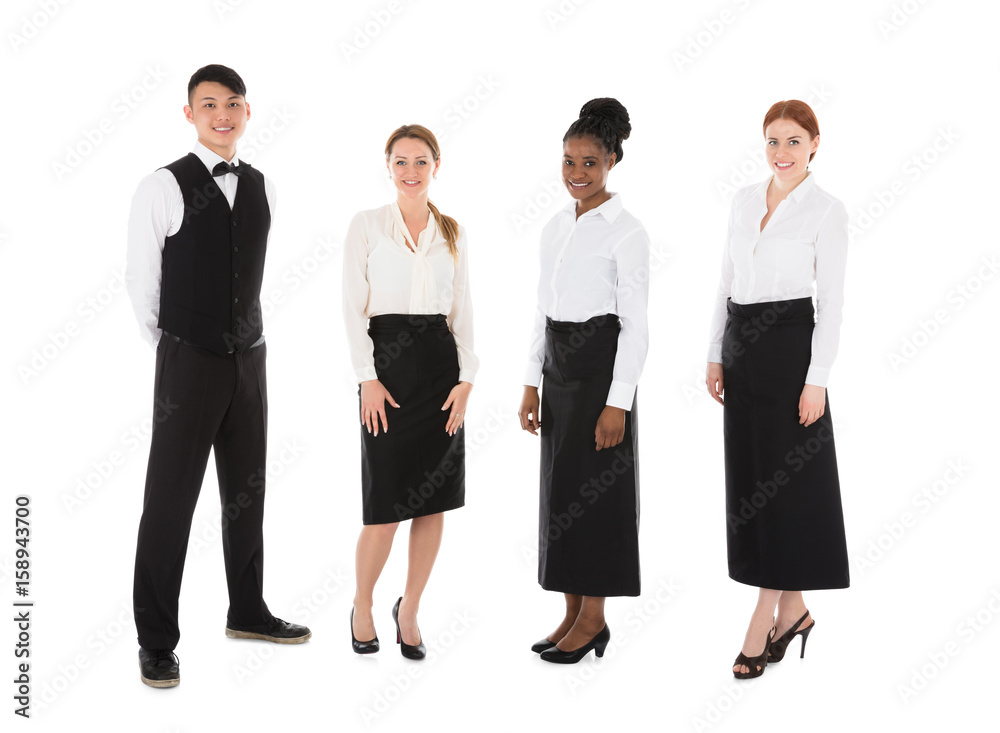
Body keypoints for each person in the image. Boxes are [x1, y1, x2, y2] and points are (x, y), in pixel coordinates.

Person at [125, 64, 310, 689]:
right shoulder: (160, 186)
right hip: (188, 360)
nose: (222, 114)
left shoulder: (264, 186)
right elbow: (142, 288)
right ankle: (156, 641)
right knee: (169, 502)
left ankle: (248, 610)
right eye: (209, 105)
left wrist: (237, 349)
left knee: (247, 492)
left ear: (247, 111)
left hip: (251, 360)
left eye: (232, 103)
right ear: (190, 114)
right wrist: (180, 350)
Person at [705, 99, 850, 679]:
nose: (781, 153)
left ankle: (764, 613)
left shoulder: (826, 211)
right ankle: (794, 610)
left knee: (787, 487)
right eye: (772, 141)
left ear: (815, 144)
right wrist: (715, 351)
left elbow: (832, 305)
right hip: (742, 349)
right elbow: (724, 279)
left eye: (793, 141)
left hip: (792, 353)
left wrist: (817, 381)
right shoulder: (744, 200)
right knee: (754, 483)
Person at [518, 98, 649, 664]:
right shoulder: (555, 227)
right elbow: (543, 308)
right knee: (563, 494)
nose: (576, 173)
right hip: (558, 369)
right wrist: (530, 381)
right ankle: (571, 610)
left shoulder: (627, 231)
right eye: (569, 161)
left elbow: (637, 328)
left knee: (597, 496)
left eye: (589, 162)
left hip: (600, 373)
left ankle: (595, 618)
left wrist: (617, 403)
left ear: (613, 161)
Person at [342, 124, 477, 660]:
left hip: (441, 371)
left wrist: (467, 379)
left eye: (421, 161)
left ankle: (412, 609)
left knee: (432, 504)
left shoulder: (453, 231)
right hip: (388, 370)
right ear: (389, 166)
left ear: (436, 166)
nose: (411, 171)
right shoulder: (367, 226)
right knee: (383, 508)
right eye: (401, 162)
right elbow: (352, 307)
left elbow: (463, 310)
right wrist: (366, 378)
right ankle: (362, 605)